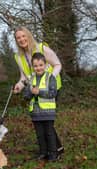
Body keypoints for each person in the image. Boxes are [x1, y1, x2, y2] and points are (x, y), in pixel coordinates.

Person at [13, 26, 64, 155]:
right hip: (35, 91)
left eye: (23, 36)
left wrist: (50, 78)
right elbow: (24, 77)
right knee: (41, 121)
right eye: (18, 37)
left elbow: (57, 64)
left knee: (47, 121)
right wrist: (19, 86)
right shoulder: (18, 56)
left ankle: (54, 150)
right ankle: (52, 149)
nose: (21, 39)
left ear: (28, 36)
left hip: (51, 89)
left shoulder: (42, 48)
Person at [24, 52, 59, 161]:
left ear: (45, 65)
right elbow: (26, 96)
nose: (38, 68)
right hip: (35, 112)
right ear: (32, 67)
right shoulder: (31, 79)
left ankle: (53, 153)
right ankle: (43, 152)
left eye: (40, 65)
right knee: (40, 134)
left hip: (48, 112)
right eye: (35, 66)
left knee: (49, 133)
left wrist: (39, 92)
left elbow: (53, 93)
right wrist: (31, 93)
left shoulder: (50, 77)